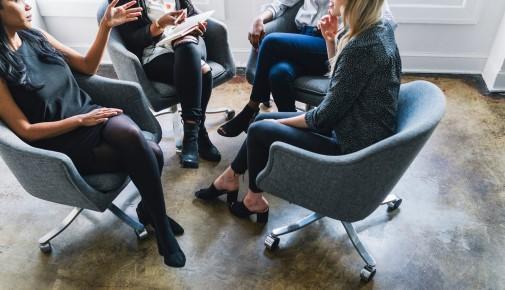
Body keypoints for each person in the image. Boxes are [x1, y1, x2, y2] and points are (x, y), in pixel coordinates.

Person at [0, 0, 185, 267]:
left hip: (89, 113)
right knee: (151, 152)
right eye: (16, 1)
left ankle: (154, 217)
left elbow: (87, 67)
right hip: (62, 139)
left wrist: (105, 27)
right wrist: (79, 121)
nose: (27, 4)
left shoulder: (36, 36)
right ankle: (159, 224)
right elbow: (25, 131)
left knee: (139, 141)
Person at [196, 0, 401, 223]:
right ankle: (234, 180)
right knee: (264, 118)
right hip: (351, 129)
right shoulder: (375, 32)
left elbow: (322, 118)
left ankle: (252, 196)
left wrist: (279, 125)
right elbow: (339, 87)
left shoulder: (362, 48)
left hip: (350, 149)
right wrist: (330, 41)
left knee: (260, 128)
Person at [113, 0, 220, 169]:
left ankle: (190, 137)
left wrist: (197, 26)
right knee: (203, 71)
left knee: (186, 47)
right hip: (155, 53)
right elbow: (132, 40)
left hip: (190, 45)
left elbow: (192, 15)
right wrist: (159, 24)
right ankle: (198, 132)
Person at [217, 0, 330, 137]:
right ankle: (290, 134)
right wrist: (259, 18)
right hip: (302, 38)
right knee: (278, 74)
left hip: (326, 43)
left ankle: (250, 109)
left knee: (271, 42)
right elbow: (281, 3)